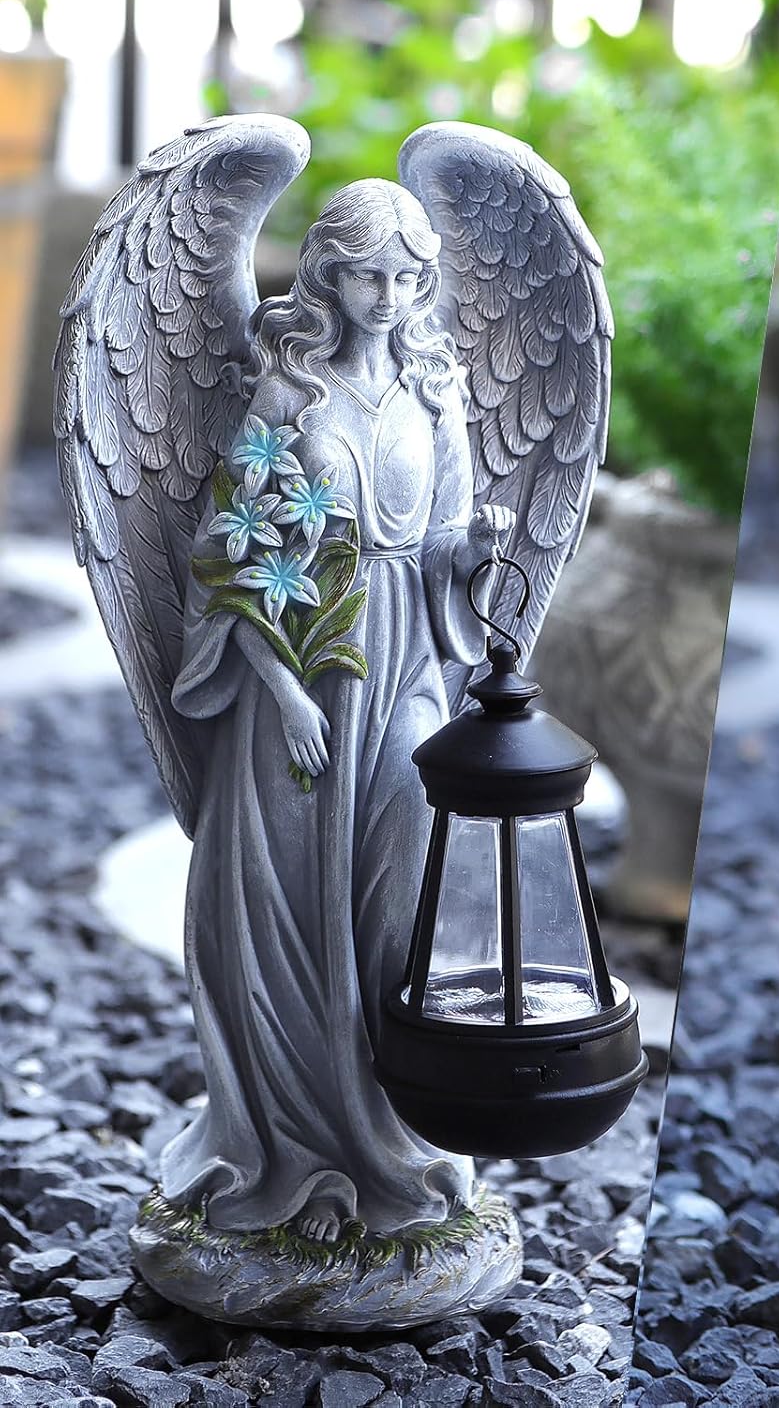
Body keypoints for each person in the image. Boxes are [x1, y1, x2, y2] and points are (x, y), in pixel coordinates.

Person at [166, 180, 510, 1243]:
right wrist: (280, 693)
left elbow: (448, 539)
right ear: (327, 275)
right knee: (290, 906)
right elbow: (227, 558)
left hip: (407, 661)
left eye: (407, 277)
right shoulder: (288, 394)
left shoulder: (437, 391)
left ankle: (395, 1135)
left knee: (402, 884)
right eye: (367, 275)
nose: (388, 296)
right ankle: (304, 1156)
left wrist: (479, 549)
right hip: (300, 670)